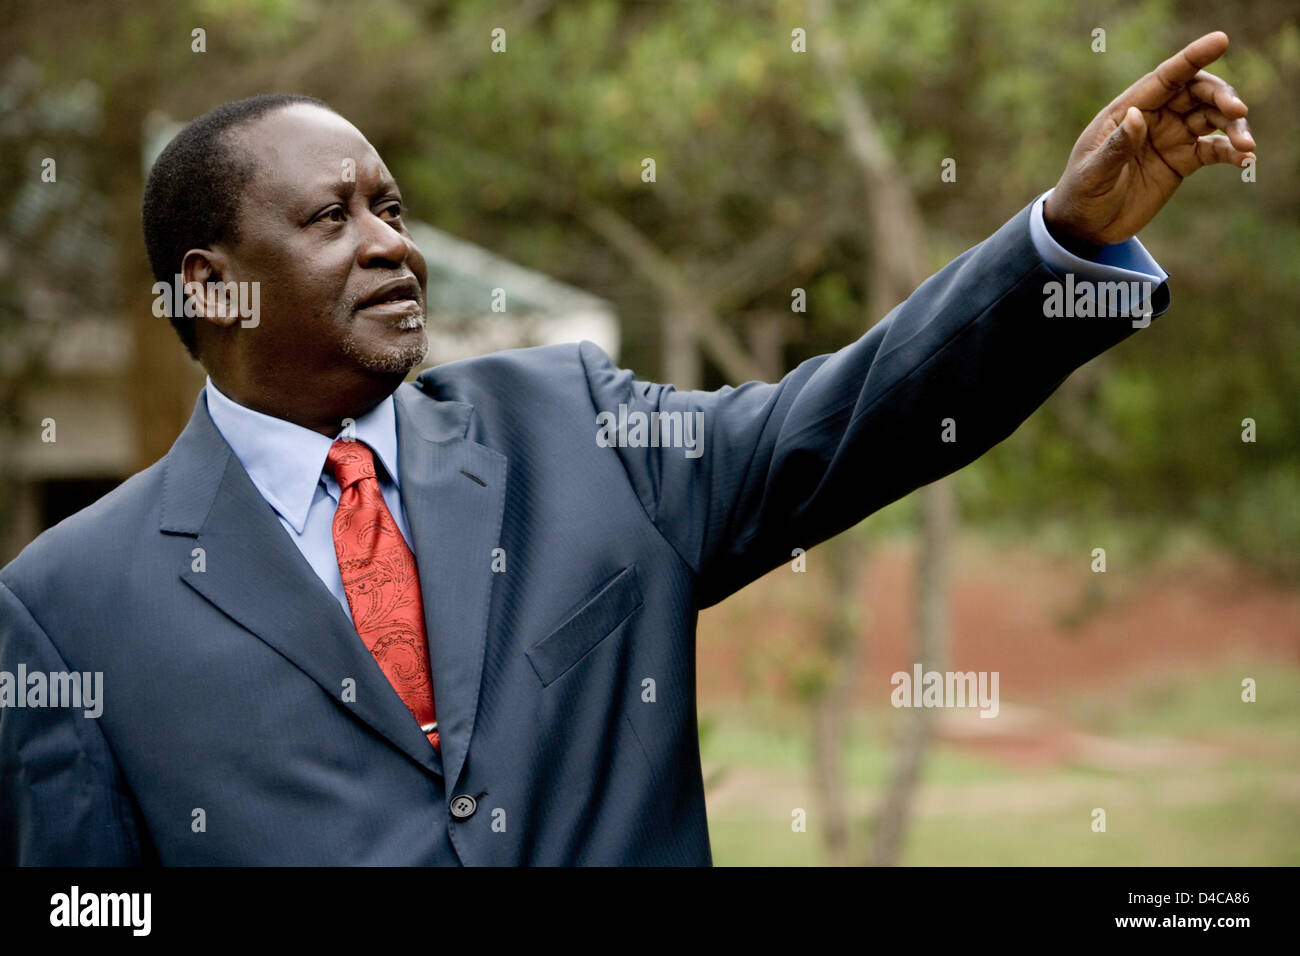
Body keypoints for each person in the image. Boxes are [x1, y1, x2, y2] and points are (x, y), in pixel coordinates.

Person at [0, 33, 1255, 865]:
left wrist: (1063, 241)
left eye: (392, 207)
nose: (391, 245)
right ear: (213, 292)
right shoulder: (68, 607)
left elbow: (848, 419)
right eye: (332, 218)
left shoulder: (579, 430)